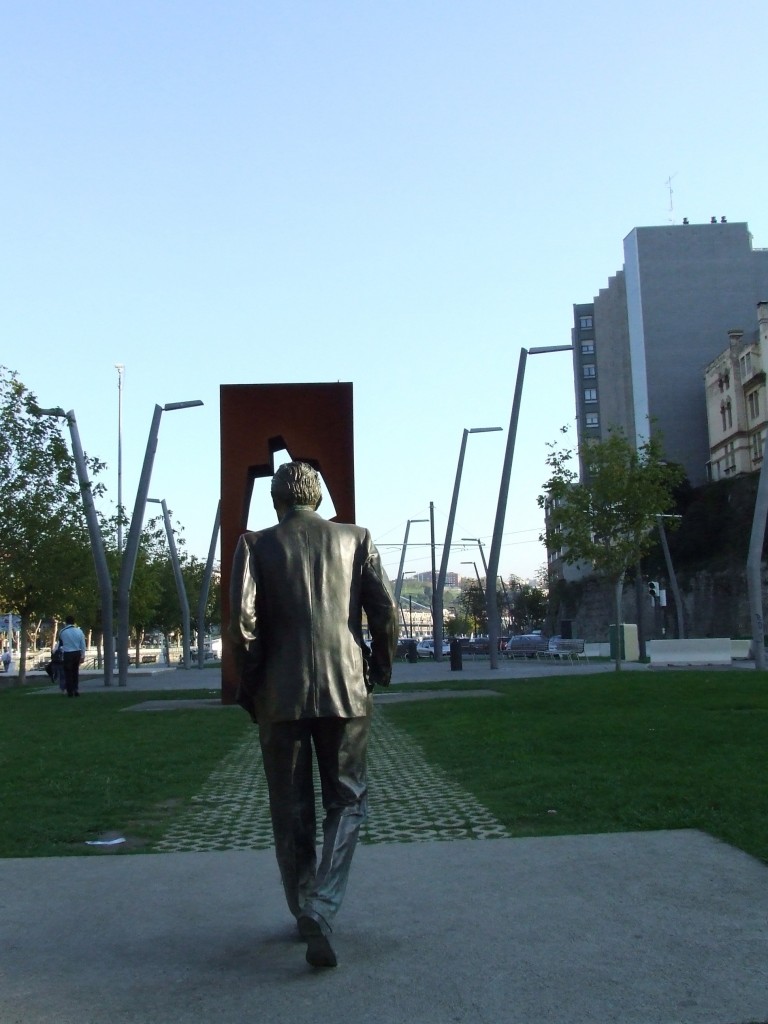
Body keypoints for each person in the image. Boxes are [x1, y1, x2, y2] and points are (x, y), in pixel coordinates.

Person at [229, 461, 398, 968]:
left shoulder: (255, 545)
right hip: (347, 688)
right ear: (317, 497)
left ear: (277, 499)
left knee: (290, 806)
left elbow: (242, 625)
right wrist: (379, 667)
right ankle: (322, 906)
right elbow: (385, 612)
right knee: (348, 799)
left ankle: (306, 905)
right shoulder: (357, 539)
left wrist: (253, 687)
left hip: (280, 694)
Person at [58, 615, 86, 697]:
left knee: (68, 673)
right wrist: (83, 655)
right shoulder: (79, 631)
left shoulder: (62, 631)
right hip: (77, 653)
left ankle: (69, 691)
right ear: (74, 622)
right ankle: (75, 689)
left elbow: (61, 644)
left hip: (67, 653)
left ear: (66, 622)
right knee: (75, 671)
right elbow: (83, 644)